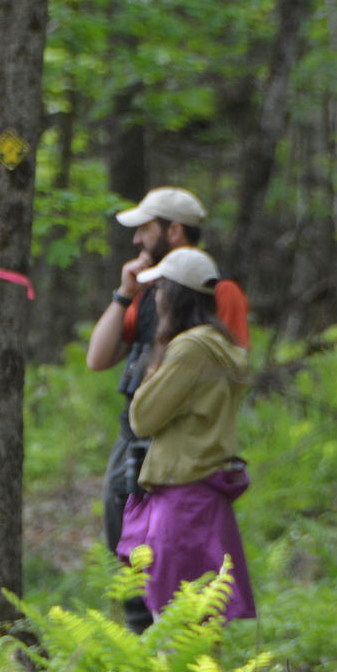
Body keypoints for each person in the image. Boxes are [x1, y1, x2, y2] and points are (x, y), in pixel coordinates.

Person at [85, 187, 248, 629]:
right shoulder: (146, 290)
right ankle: (140, 646)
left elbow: (226, 373)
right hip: (134, 442)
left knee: (173, 568)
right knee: (128, 548)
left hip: (179, 450)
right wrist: (124, 294)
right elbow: (98, 358)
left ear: (174, 230)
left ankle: (157, 656)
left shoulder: (219, 292)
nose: (137, 239)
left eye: (146, 228)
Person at [118, 247, 255, 622]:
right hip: (206, 496)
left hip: (181, 497)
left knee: (176, 622)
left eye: (160, 288)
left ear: (174, 295)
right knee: (202, 623)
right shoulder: (221, 347)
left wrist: (154, 366)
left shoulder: (189, 348)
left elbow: (142, 418)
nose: (155, 297)